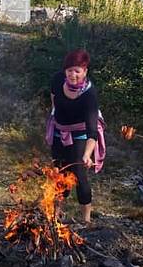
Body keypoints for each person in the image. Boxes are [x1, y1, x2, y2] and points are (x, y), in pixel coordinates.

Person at [45, 49, 106, 225]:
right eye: (69, 70)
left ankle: (86, 220)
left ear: (85, 72)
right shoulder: (57, 79)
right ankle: (56, 215)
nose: (73, 75)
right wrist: (56, 115)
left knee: (79, 174)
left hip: (81, 134)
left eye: (77, 71)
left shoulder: (89, 95)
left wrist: (87, 155)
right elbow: (54, 97)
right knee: (58, 172)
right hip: (59, 130)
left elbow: (92, 132)